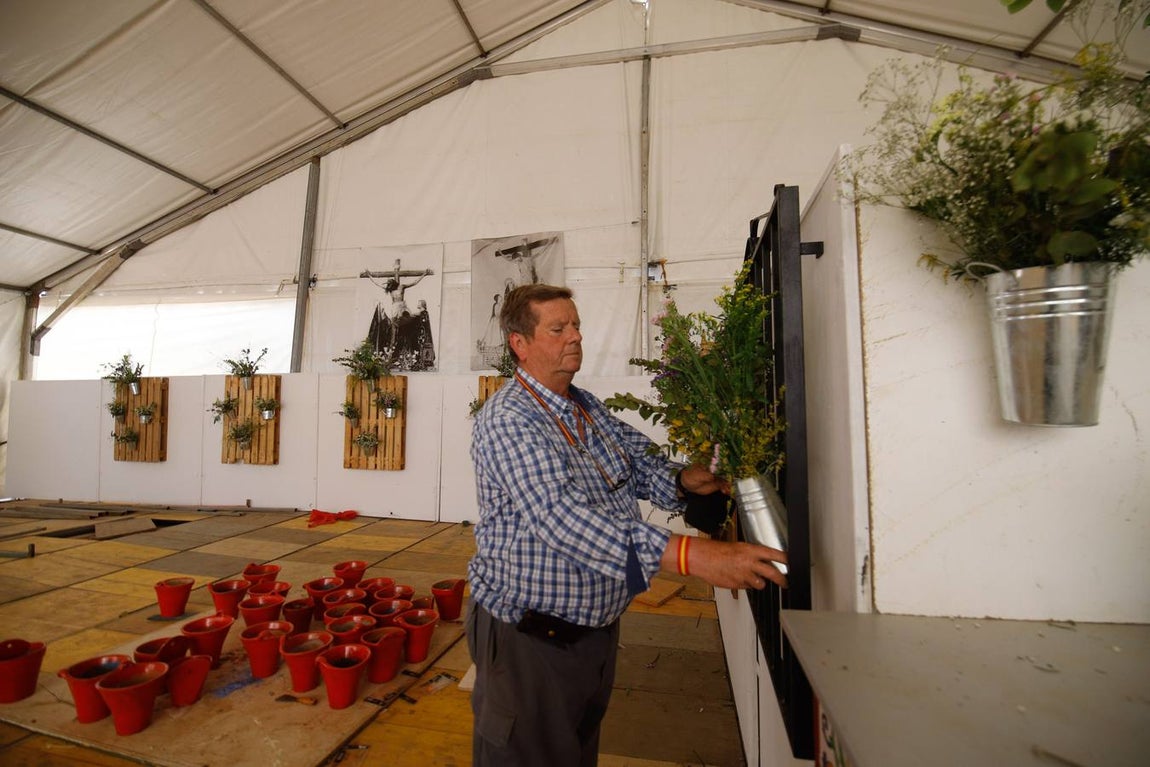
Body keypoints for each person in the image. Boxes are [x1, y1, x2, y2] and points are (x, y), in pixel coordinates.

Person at [467, 283, 788, 767]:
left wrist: (686, 480)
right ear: (521, 343)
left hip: (592, 632)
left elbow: (638, 464)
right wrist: (692, 555)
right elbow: (562, 520)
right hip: (529, 642)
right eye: (559, 328)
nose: (575, 336)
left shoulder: (585, 407)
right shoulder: (509, 420)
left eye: (576, 324)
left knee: (574, 750)